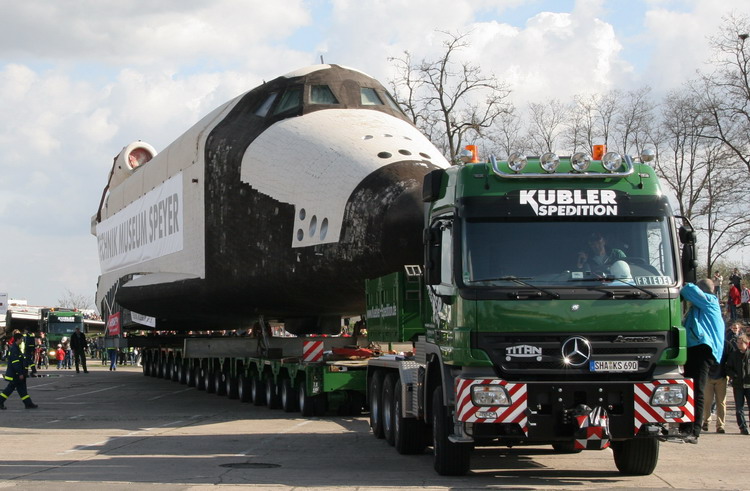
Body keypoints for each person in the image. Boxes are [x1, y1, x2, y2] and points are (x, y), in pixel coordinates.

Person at [680, 279, 725, 443]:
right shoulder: (700, 308)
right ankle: (686, 428)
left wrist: (682, 282)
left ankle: (694, 431)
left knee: (697, 390)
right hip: (695, 348)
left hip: (703, 349)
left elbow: (688, 290)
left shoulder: (710, 301)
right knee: (690, 390)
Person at [702, 322, 734, 433]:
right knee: (707, 401)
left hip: (722, 377)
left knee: (721, 402)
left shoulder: (727, 345)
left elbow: (732, 360)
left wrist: (729, 373)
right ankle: (706, 421)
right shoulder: (707, 344)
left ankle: (720, 425)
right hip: (708, 377)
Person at [0, 332, 39, 409]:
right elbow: (15, 363)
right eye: (21, 339)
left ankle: (28, 403)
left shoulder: (16, 348)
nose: (22, 341)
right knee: (10, 389)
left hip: (18, 374)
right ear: (18, 339)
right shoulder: (14, 349)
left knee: (22, 390)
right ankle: (0, 401)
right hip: (15, 375)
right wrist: (20, 373)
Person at [725, 333, 750, 435]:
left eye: (741, 343)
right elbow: (727, 368)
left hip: (749, 385)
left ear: (746, 343)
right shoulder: (734, 355)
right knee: (739, 408)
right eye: (738, 343)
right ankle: (742, 427)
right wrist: (733, 375)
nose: (739, 345)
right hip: (738, 385)